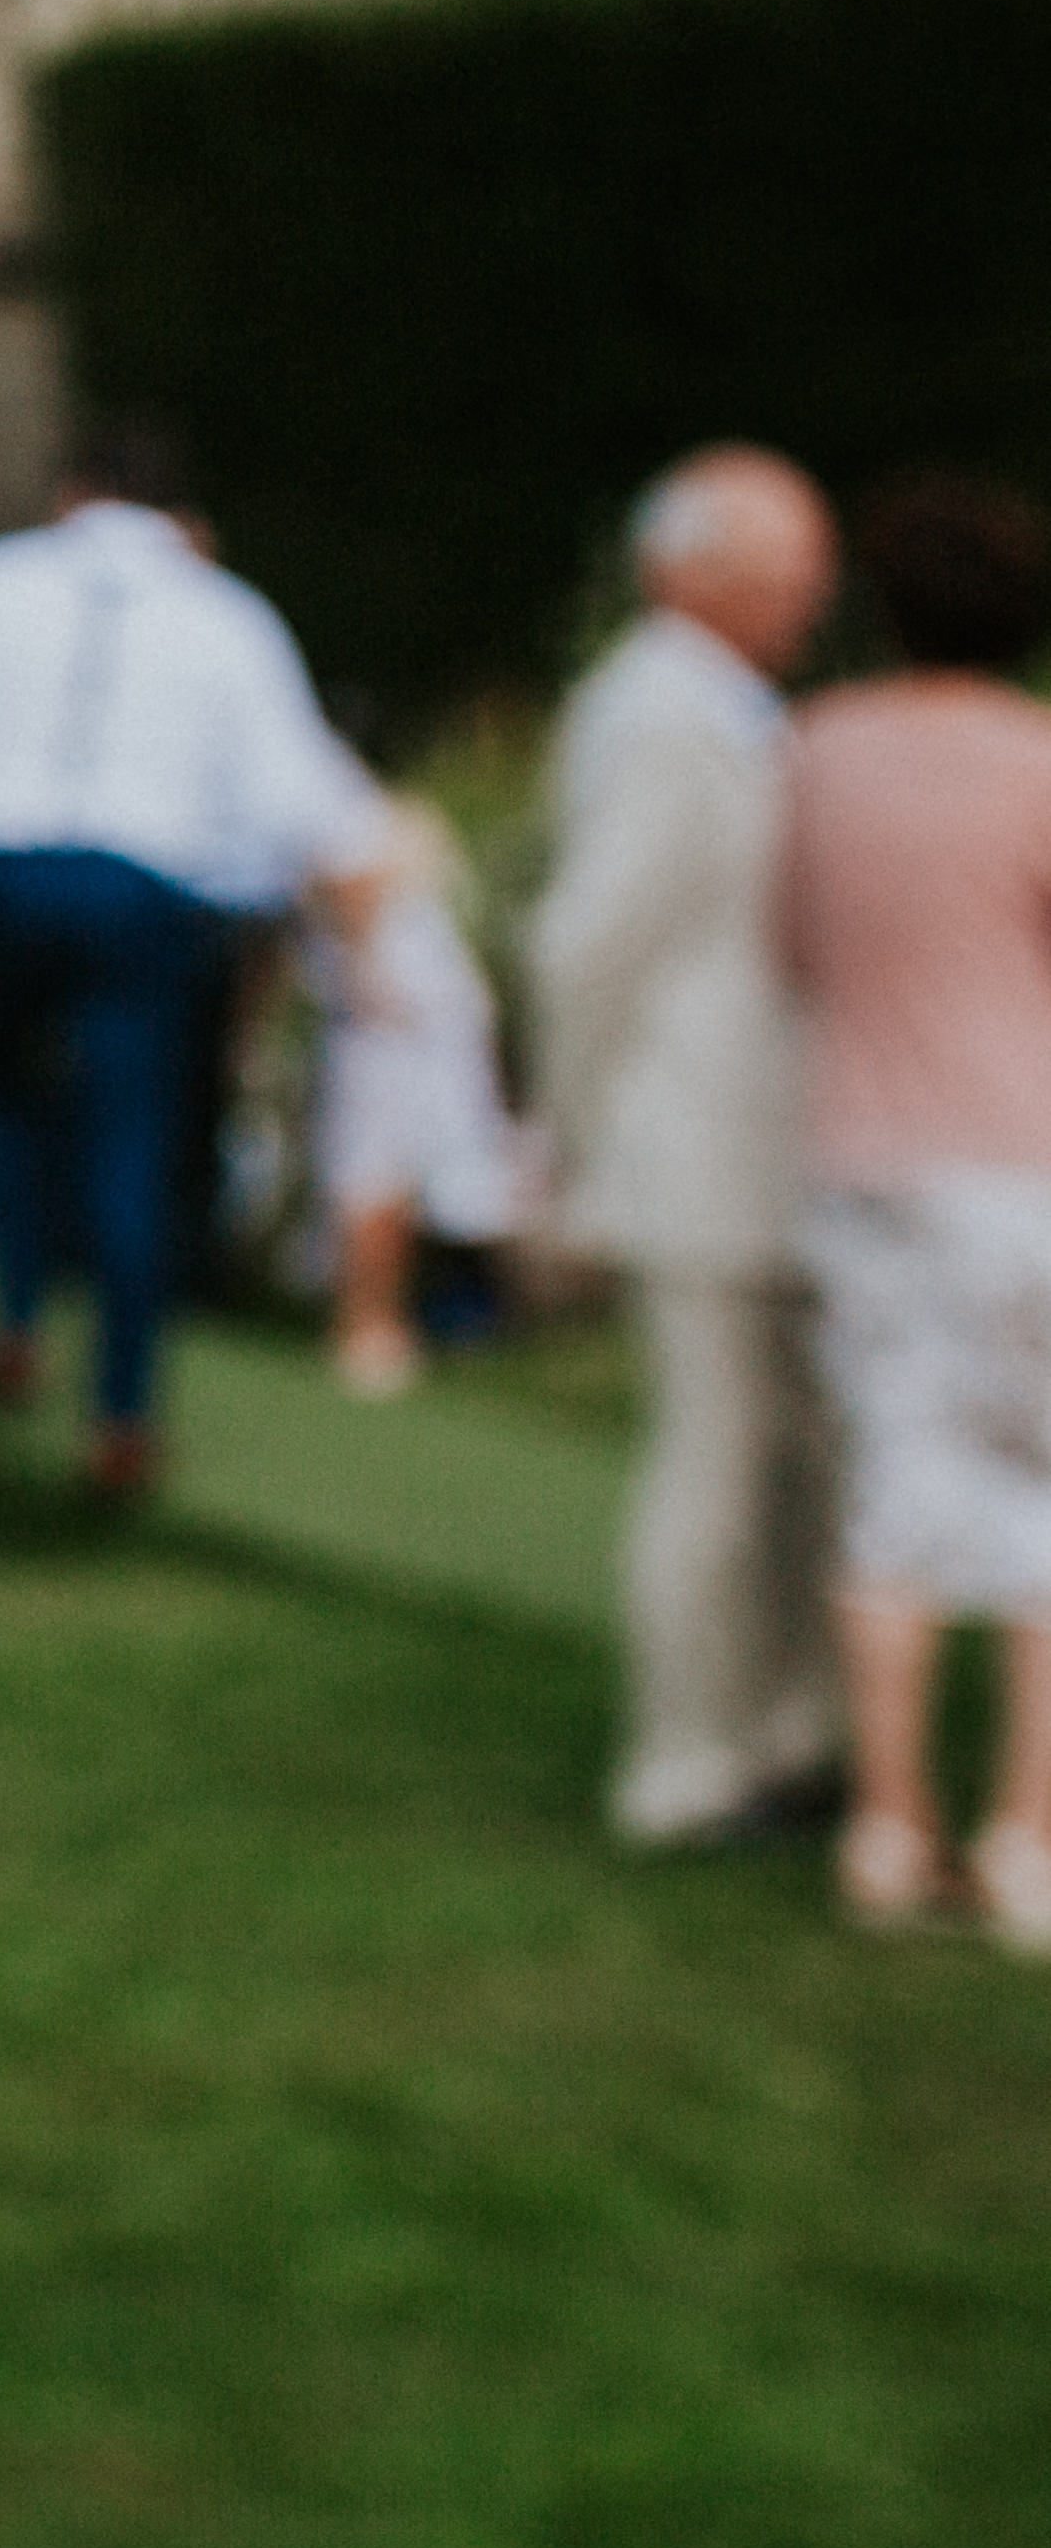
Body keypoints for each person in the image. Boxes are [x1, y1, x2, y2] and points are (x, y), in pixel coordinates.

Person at [0, 420, 378, 1504]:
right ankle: (122, 1413)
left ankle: (12, 1316)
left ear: (70, 493)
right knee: (131, 1138)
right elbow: (289, 797)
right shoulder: (226, 617)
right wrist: (236, 886)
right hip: (146, 890)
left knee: (1, 1096)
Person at [531, 446, 844, 1850]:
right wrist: (569, 1140)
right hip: (691, 1140)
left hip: (766, 1145)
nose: (813, 596)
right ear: (696, 573)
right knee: (715, 1464)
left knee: (791, 1460)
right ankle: (682, 1763)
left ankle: (788, 1728)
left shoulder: (717, 706)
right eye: (791, 570)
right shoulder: (660, 715)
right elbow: (584, 947)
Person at [780, 474, 1051, 1947]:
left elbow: (794, 945)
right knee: (1034, 1493)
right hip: (1015, 1163)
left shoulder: (818, 752)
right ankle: (1023, 1837)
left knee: (893, 1476)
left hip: (860, 1157)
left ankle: (888, 1827)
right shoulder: (1035, 763)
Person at [304, 792, 521, 1400]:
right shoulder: (361, 857)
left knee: (393, 1186)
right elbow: (343, 909)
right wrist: (371, 986)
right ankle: (363, 1326)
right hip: (386, 1046)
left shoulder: (401, 888)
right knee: (372, 1182)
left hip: (415, 1046)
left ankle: (379, 1324)